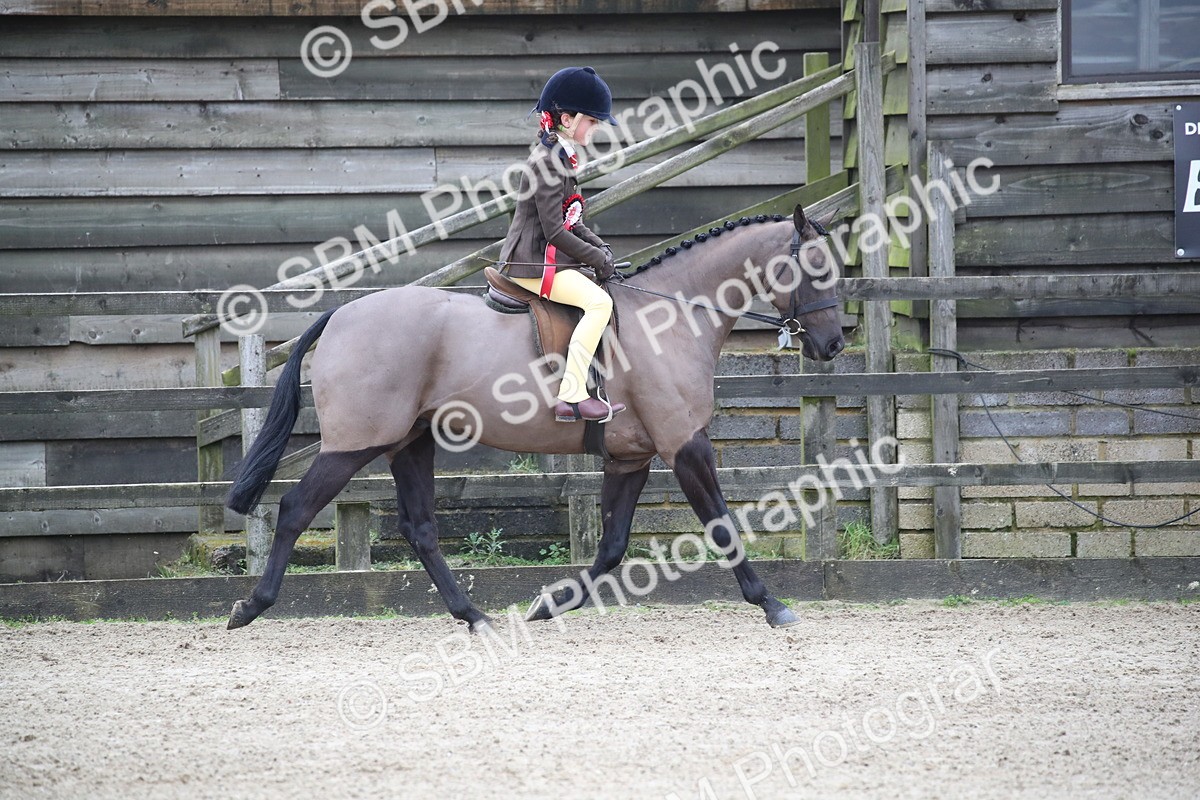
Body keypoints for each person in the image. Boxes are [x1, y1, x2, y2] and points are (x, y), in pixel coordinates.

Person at [499, 66, 627, 423]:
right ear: (568, 119)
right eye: (593, 121)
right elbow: (555, 232)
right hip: (532, 262)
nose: (597, 128)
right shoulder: (547, 162)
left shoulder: (562, 155)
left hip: (547, 256)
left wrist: (601, 249)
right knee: (599, 303)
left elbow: (574, 219)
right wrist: (596, 260)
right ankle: (571, 395)